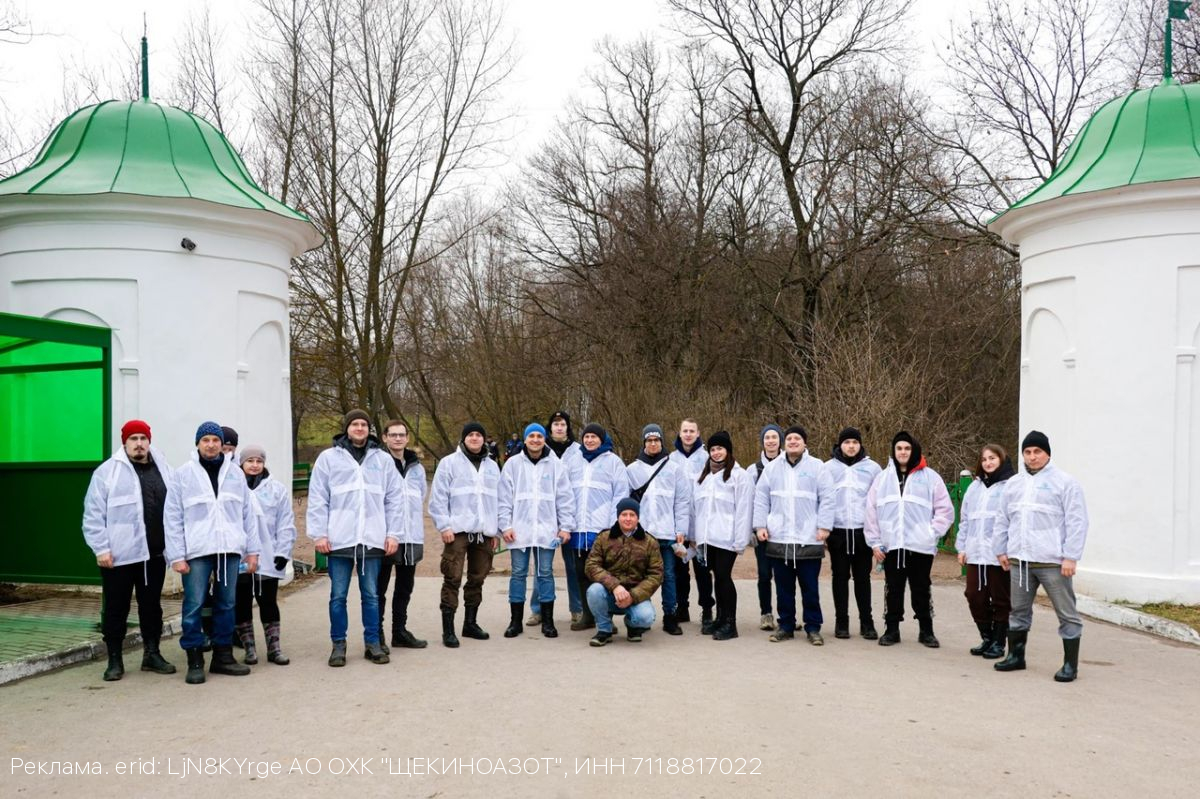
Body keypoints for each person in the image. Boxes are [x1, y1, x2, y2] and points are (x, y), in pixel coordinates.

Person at [165, 421, 260, 684]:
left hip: (229, 550)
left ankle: (223, 656)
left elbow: (247, 514)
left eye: (215, 440)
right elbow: (172, 517)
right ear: (197, 443)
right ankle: (195, 659)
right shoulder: (183, 474)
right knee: (194, 605)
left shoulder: (235, 474)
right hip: (196, 551)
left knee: (226, 603)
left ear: (222, 444)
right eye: (205, 440)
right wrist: (176, 555)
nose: (211, 444)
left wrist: (252, 551)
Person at [307, 410, 403, 667]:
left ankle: (372, 643)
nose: (359, 428)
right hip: (339, 539)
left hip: (372, 538)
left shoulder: (382, 460)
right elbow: (318, 498)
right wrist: (319, 534)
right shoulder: (328, 458)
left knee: (371, 595)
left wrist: (393, 533)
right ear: (347, 428)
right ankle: (338, 645)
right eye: (355, 424)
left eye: (364, 424)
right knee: (338, 596)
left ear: (369, 429)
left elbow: (394, 499)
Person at [81, 419, 175, 681]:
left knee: (151, 608)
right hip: (119, 557)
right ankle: (114, 660)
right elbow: (92, 515)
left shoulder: (164, 469)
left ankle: (152, 654)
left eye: (143, 438)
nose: (139, 444)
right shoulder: (107, 472)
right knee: (116, 609)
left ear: (149, 441)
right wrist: (101, 548)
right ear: (124, 442)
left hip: (154, 555)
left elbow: (174, 509)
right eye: (133, 439)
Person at [992, 431, 1088, 682]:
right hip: (1020, 560)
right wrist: (1001, 550)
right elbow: (1003, 518)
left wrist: (1071, 556)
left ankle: (1070, 664)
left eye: (1037, 452)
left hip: (1052, 561)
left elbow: (1077, 521)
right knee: (1018, 611)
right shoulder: (1014, 484)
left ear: (1047, 454)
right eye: (1027, 452)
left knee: (1066, 612)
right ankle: (1016, 656)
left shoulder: (1065, 483)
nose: (1032, 457)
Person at [864, 431, 953, 648]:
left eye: (907, 448)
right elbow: (871, 511)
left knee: (921, 588)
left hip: (920, 546)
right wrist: (875, 542)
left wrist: (931, 533)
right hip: (892, 545)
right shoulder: (882, 479)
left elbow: (945, 510)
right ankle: (892, 629)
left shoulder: (930, 477)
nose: (903, 452)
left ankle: (926, 630)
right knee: (893, 588)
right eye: (899, 448)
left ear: (913, 450)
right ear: (893, 452)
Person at [753, 426, 835, 645]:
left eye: (797, 438)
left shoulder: (817, 467)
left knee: (810, 587)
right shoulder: (772, 469)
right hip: (779, 537)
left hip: (808, 537)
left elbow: (827, 497)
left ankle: (813, 627)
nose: (792, 441)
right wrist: (760, 525)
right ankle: (786, 625)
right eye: (788, 438)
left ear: (805, 443)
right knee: (783, 588)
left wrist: (824, 526)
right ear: (784, 443)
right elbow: (761, 498)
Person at [499, 423, 576, 639]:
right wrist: (505, 525)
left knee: (545, 574)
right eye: (531, 436)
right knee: (518, 574)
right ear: (524, 439)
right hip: (519, 530)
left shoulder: (555, 465)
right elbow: (504, 497)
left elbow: (565, 497)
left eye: (539, 436)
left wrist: (565, 527)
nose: (535, 440)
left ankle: (548, 621)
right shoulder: (513, 464)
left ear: (544, 439)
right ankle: (515, 621)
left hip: (546, 530)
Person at [429, 422, 501, 647]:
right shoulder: (449, 463)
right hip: (457, 530)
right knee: (453, 577)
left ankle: (470, 623)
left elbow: (498, 500)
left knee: (477, 578)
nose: (475, 438)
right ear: (463, 438)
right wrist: (444, 526)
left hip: (483, 532)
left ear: (484, 439)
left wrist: (496, 530)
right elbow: (438, 497)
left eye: (479, 435)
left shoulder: (491, 466)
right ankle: (448, 630)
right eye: (470, 435)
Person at [560, 423, 627, 631]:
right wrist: (567, 522)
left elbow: (621, 494)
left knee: (602, 574)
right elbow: (564, 493)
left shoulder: (613, 462)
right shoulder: (573, 461)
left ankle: (604, 618)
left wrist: (611, 526)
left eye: (594, 437)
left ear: (601, 438)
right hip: (579, 527)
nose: (589, 440)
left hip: (601, 529)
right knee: (580, 573)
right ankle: (587, 615)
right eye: (586, 437)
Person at [625, 423, 691, 635]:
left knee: (668, 576)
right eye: (649, 440)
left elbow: (682, 502)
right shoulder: (632, 469)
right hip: (640, 535)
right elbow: (625, 504)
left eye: (656, 440)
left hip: (666, 534)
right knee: (637, 576)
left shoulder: (674, 469)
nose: (653, 444)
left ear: (662, 442)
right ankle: (637, 617)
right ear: (644, 442)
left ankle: (670, 616)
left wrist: (681, 529)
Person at [234, 444, 296, 666]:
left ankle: (274, 647)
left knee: (268, 601)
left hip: (268, 555)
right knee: (241, 602)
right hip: (240, 557)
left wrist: (283, 551)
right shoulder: (232, 488)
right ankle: (249, 648)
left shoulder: (276, 489)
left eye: (258, 461)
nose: (254, 465)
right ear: (241, 463)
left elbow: (285, 522)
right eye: (249, 461)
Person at [690, 431, 753, 640]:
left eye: (720, 448)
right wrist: (695, 537)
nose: (716, 453)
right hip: (706, 538)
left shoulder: (739, 476)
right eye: (713, 449)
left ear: (728, 450)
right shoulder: (704, 476)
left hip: (727, 537)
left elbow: (744, 509)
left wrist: (739, 540)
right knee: (716, 577)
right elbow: (697, 510)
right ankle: (719, 617)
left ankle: (730, 623)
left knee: (724, 577)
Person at [956, 443, 1016, 659]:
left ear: (1001, 459)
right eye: (984, 459)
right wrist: (961, 547)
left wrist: (1008, 550)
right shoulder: (974, 487)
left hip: (999, 554)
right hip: (975, 553)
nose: (988, 463)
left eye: (992, 458)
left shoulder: (1011, 486)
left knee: (1001, 599)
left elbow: (1014, 521)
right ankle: (987, 636)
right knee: (974, 595)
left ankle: (999, 642)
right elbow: (965, 520)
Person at [822, 427, 883, 639]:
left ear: (860, 445)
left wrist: (877, 533)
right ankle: (842, 622)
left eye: (855, 442)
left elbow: (878, 501)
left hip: (861, 531)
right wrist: (824, 528)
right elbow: (823, 499)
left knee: (862, 578)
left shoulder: (873, 468)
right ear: (840, 445)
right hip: (838, 531)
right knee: (839, 577)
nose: (851, 446)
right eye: (847, 442)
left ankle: (867, 622)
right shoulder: (828, 468)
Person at [376, 420, 428, 652]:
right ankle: (376, 633)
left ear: (407, 438)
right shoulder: (377, 463)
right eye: (393, 435)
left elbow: (421, 496)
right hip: (384, 536)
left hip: (411, 535)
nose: (397, 439)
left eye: (402, 435)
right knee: (379, 588)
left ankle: (400, 631)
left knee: (405, 586)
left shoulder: (416, 466)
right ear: (385, 438)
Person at [584, 498, 665, 646]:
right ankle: (604, 630)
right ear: (618, 516)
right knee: (594, 591)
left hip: (635, 596)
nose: (628, 518)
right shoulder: (604, 538)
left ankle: (633, 626)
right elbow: (591, 565)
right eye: (624, 514)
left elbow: (656, 575)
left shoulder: (650, 542)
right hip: (609, 593)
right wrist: (615, 586)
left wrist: (633, 596)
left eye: (632, 515)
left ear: (638, 518)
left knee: (646, 617)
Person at [528, 410, 582, 627]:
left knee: (574, 567)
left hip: (570, 517)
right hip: (545, 517)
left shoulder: (578, 451)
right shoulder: (541, 449)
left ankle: (577, 609)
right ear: (549, 428)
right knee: (542, 567)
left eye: (563, 424)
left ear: (568, 427)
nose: (559, 427)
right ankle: (538, 609)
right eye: (555, 424)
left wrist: (568, 520)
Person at [668, 418, 707, 623]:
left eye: (692, 430)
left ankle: (707, 609)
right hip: (679, 526)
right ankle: (681, 607)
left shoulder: (708, 458)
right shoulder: (671, 459)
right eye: (685, 430)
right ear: (680, 433)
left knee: (702, 571)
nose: (689, 434)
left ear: (698, 433)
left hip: (701, 525)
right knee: (679, 571)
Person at [751, 424, 783, 631]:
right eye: (767, 438)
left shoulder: (789, 466)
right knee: (764, 574)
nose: (770, 441)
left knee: (784, 576)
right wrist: (752, 529)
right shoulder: (753, 470)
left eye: (774, 437)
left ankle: (785, 614)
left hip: (783, 532)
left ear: (780, 440)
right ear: (762, 442)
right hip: (762, 532)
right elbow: (749, 501)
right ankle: (766, 613)